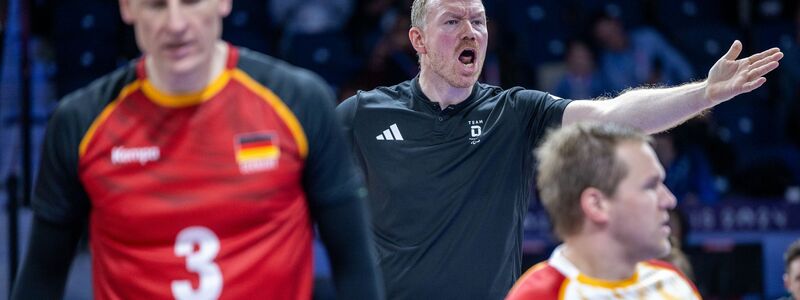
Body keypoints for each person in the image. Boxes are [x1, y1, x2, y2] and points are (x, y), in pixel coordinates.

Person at [335, 0, 782, 298]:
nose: (470, 32)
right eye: (452, 21)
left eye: (478, 20)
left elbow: (613, 116)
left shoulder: (513, 112)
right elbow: (299, 175)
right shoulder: (364, 113)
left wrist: (704, 93)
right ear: (418, 41)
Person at [11, 0, 382, 299]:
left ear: (223, 2)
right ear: (127, 8)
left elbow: (354, 262)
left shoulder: (298, 100)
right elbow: (41, 279)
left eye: (191, 1)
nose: (176, 23)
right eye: (156, 5)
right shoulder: (80, 121)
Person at [506, 122, 700, 299]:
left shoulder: (674, 284)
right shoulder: (538, 295)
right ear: (596, 204)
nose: (669, 200)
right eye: (650, 186)